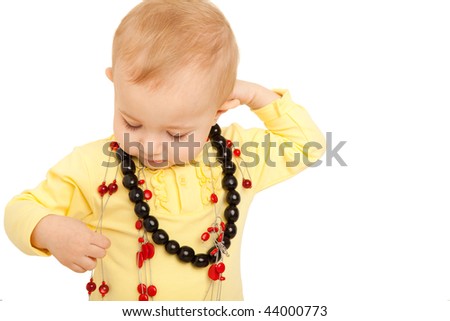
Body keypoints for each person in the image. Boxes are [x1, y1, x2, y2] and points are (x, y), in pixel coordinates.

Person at [4, 0, 325, 301]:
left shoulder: (237, 157)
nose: (151, 145)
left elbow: (307, 146)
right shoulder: (94, 166)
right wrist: (47, 230)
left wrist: (256, 94)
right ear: (115, 85)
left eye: (177, 133)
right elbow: (19, 208)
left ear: (217, 111)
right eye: (131, 123)